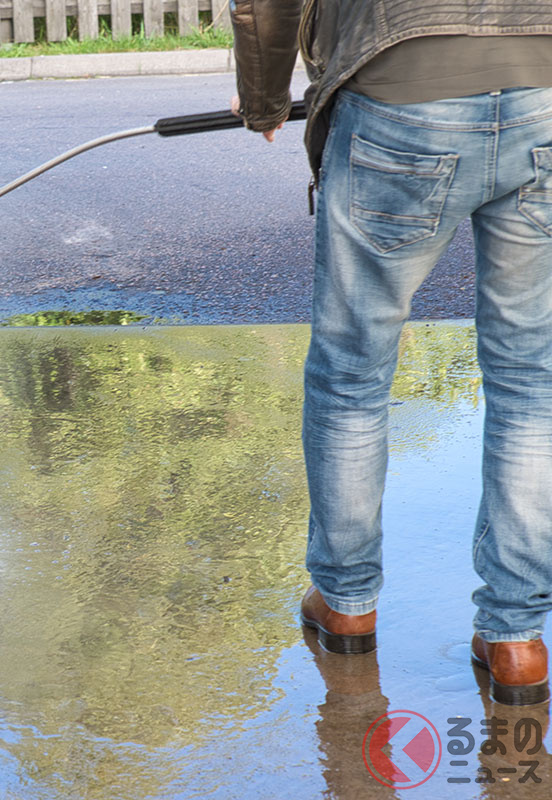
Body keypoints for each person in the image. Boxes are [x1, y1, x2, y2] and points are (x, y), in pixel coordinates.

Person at [231, 1, 552, 705]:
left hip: (401, 96)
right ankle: (518, 641)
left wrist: (262, 102)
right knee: (532, 380)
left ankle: (346, 602)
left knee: (352, 373)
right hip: (545, 90)